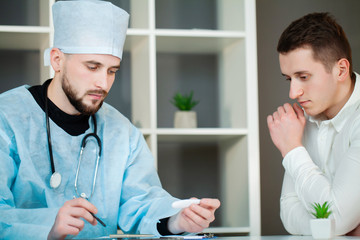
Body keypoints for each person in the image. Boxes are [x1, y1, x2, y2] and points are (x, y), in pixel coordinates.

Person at [0, 1, 220, 239]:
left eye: (112, 71)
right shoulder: (6, 118)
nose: (103, 84)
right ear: (57, 60)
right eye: (92, 67)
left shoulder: (121, 131)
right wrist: (47, 226)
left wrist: (177, 221)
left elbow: (141, 202)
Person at [267, 12, 360, 236]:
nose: (293, 92)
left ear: (341, 70)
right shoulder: (302, 121)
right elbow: (288, 212)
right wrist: (339, 227)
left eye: (304, 76)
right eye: (289, 78)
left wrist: (291, 149)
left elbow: (336, 218)